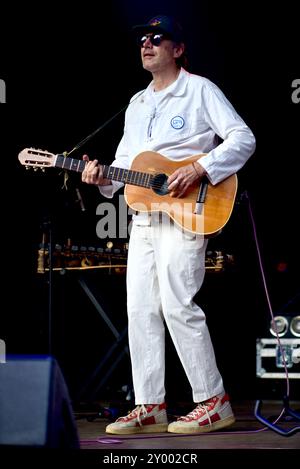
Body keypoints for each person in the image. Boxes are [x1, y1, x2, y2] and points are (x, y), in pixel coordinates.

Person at [81, 14, 256, 434]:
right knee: (140, 308)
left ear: (178, 49)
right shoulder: (136, 104)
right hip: (144, 216)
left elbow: (242, 138)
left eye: (157, 38)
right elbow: (125, 166)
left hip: (187, 210)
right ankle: (150, 405)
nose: (147, 43)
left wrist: (200, 167)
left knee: (179, 303)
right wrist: (102, 177)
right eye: (143, 38)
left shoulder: (199, 90)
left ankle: (214, 401)